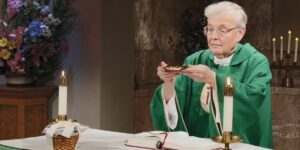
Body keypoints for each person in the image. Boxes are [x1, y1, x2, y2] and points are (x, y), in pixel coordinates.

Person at [150, 1, 272, 149]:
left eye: (222, 30)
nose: (213, 36)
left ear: (240, 32)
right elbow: (173, 104)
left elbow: (255, 101)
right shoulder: (195, 60)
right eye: (210, 29)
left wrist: (213, 79)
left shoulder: (255, 63)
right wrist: (168, 83)